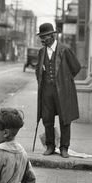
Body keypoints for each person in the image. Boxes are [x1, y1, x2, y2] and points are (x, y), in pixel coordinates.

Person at [35, 22, 81, 159]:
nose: (42, 40)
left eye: (45, 37)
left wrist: (65, 80)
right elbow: (38, 70)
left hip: (63, 91)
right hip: (46, 91)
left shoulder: (64, 50)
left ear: (52, 35)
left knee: (65, 119)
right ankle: (50, 146)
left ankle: (64, 148)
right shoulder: (41, 52)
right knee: (47, 119)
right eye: (41, 37)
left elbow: (76, 67)